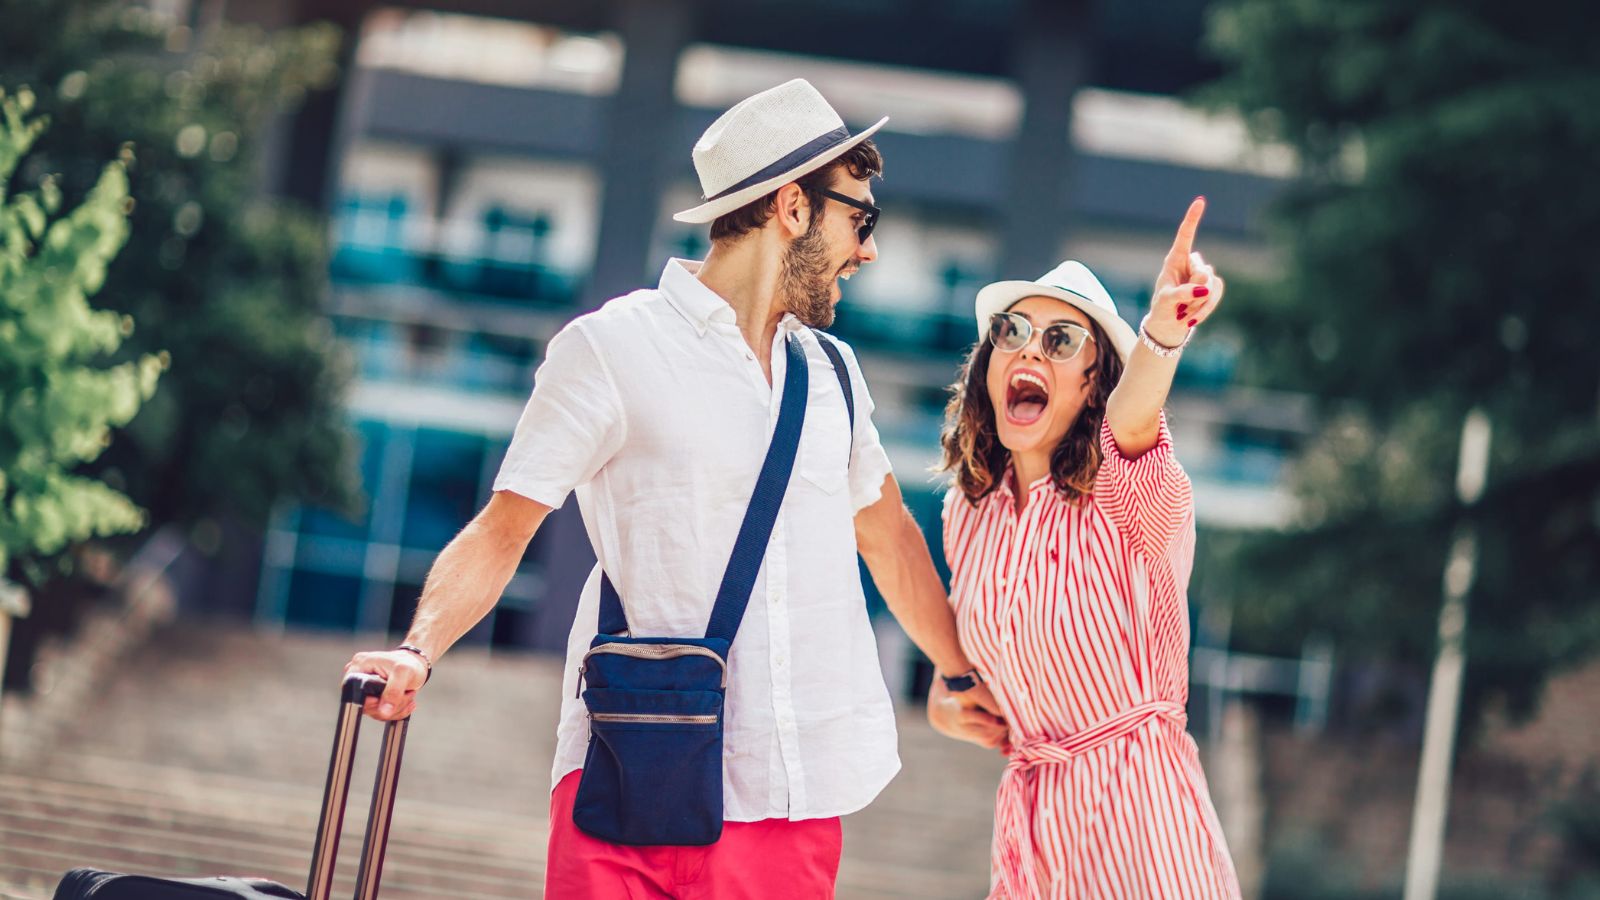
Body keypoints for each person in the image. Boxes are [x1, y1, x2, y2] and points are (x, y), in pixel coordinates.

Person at [343, 78, 998, 898]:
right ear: (792, 207)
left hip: (790, 798)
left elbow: (890, 537)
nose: (867, 250)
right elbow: (504, 526)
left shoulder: (833, 373)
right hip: (628, 778)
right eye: (858, 219)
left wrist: (962, 673)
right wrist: (418, 648)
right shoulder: (612, 349)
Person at [927, 199, 1243, 898]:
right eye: (1012, 332)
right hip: (1032, 833)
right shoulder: (968, 514)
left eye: (1063, 340)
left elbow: (1135, 421)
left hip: (1141, 831)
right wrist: (945, 699)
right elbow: (974, 655)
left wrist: (1161, 334)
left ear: (1095, 384)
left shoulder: (1127, 498)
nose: (1030, 350)